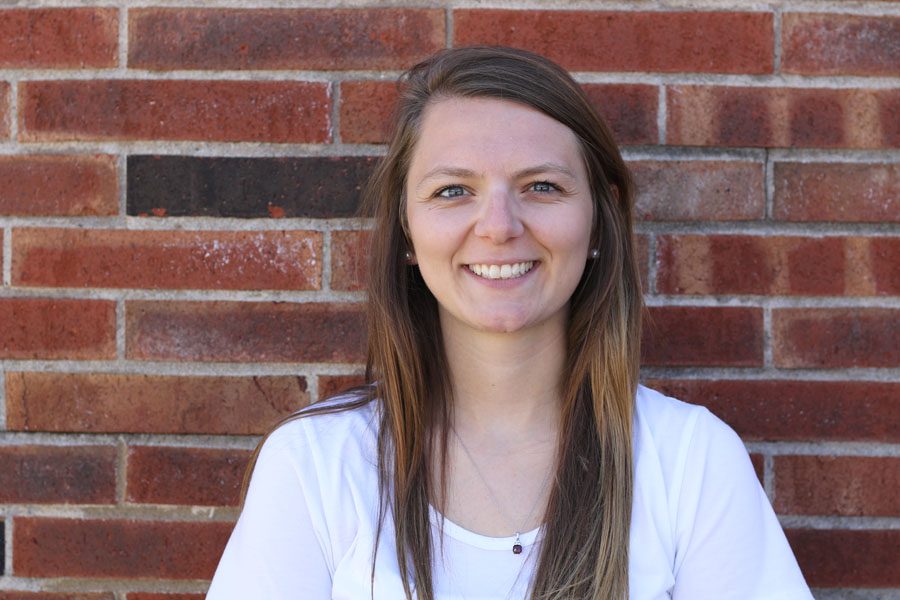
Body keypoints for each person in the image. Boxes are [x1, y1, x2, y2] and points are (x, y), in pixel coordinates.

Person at [206, 46, 813, 600]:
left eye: (542, 186)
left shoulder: (691, 463)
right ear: (408, 234)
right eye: (452, 191)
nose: (499, 225)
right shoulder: (316, 465)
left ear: (597, 222)